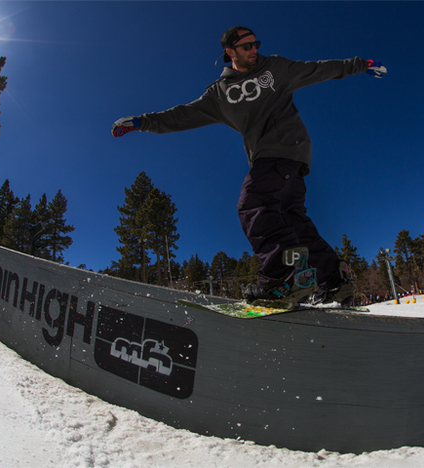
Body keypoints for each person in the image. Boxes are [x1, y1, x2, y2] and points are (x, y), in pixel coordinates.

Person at [112, 26, 386, 309]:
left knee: (253, 204)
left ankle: (280, 279)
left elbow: (317, 69)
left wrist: (359, 65)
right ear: (230, 52)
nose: (254, 50)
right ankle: (335, 282)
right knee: (291, 219)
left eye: (255, 44)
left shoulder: (276, 67)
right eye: (246, 47)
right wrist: (143, 122)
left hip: (283, 148)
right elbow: (182, 115)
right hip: (286, 161)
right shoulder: (219, 94)